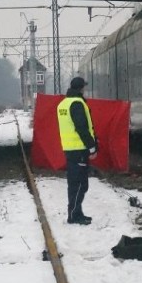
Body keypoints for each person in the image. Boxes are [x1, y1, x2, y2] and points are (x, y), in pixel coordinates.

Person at [57, 77, 98, 225]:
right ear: (81, 88)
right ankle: (74, 215)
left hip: (70, 148)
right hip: (79, 149)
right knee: (80, 184)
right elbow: (82, 127)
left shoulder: (63, 104)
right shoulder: (77, 104)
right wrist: (92, 147)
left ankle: (76, 212)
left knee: (76, 183)